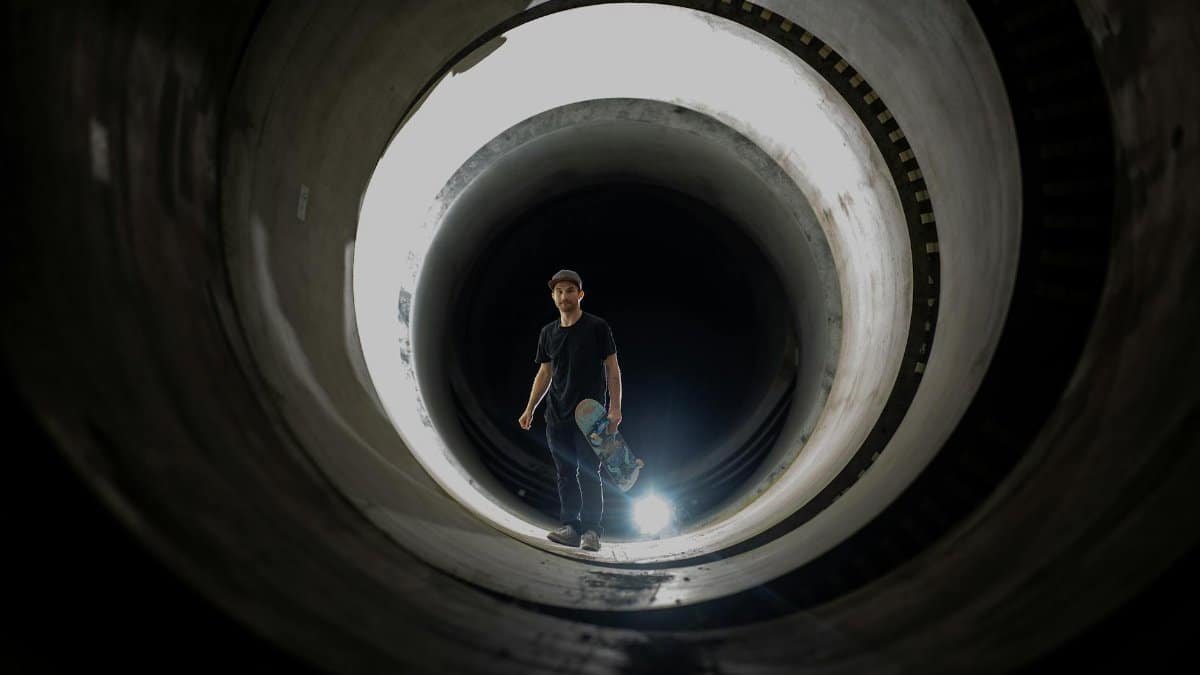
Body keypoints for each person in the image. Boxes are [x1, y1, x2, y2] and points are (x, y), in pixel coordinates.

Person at [518, 269, 621, 552]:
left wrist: (615, 410)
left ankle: (591, 532)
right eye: (559, 291)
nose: (564, 296)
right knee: (565, 473)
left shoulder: (597, 327)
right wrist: (530, 408)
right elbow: (544, 373)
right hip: (556, 415)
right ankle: (570, 528)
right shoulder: (548, 333)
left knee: (590, 473)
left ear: (580, 295)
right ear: (553, 296)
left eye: (570, 290)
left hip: (589, 416)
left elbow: (613, 369)